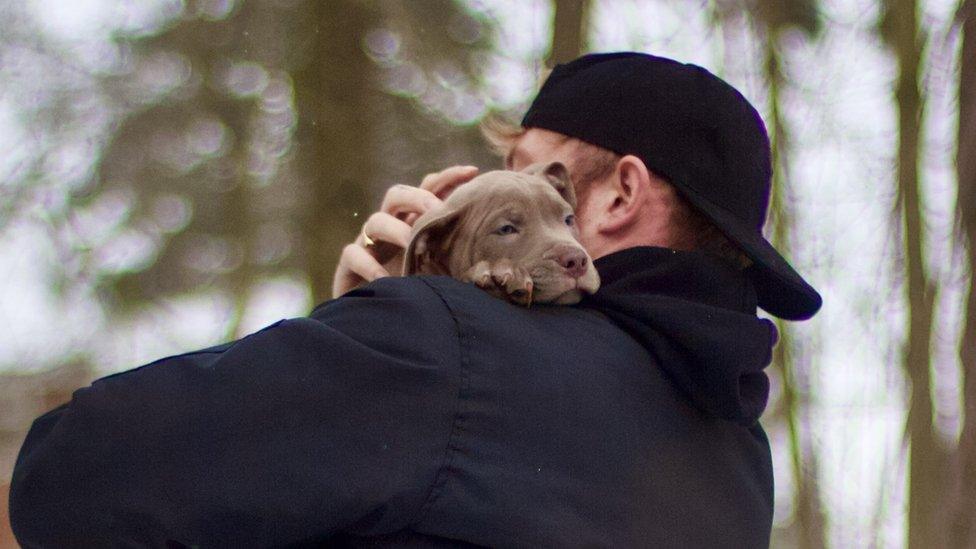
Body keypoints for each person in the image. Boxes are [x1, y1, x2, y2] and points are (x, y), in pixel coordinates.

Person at [9, 52, 821, 548]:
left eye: (533, 167)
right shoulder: (740, 465)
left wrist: (369, 329)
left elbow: (69, 477)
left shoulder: (444, 350)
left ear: (617, 196)